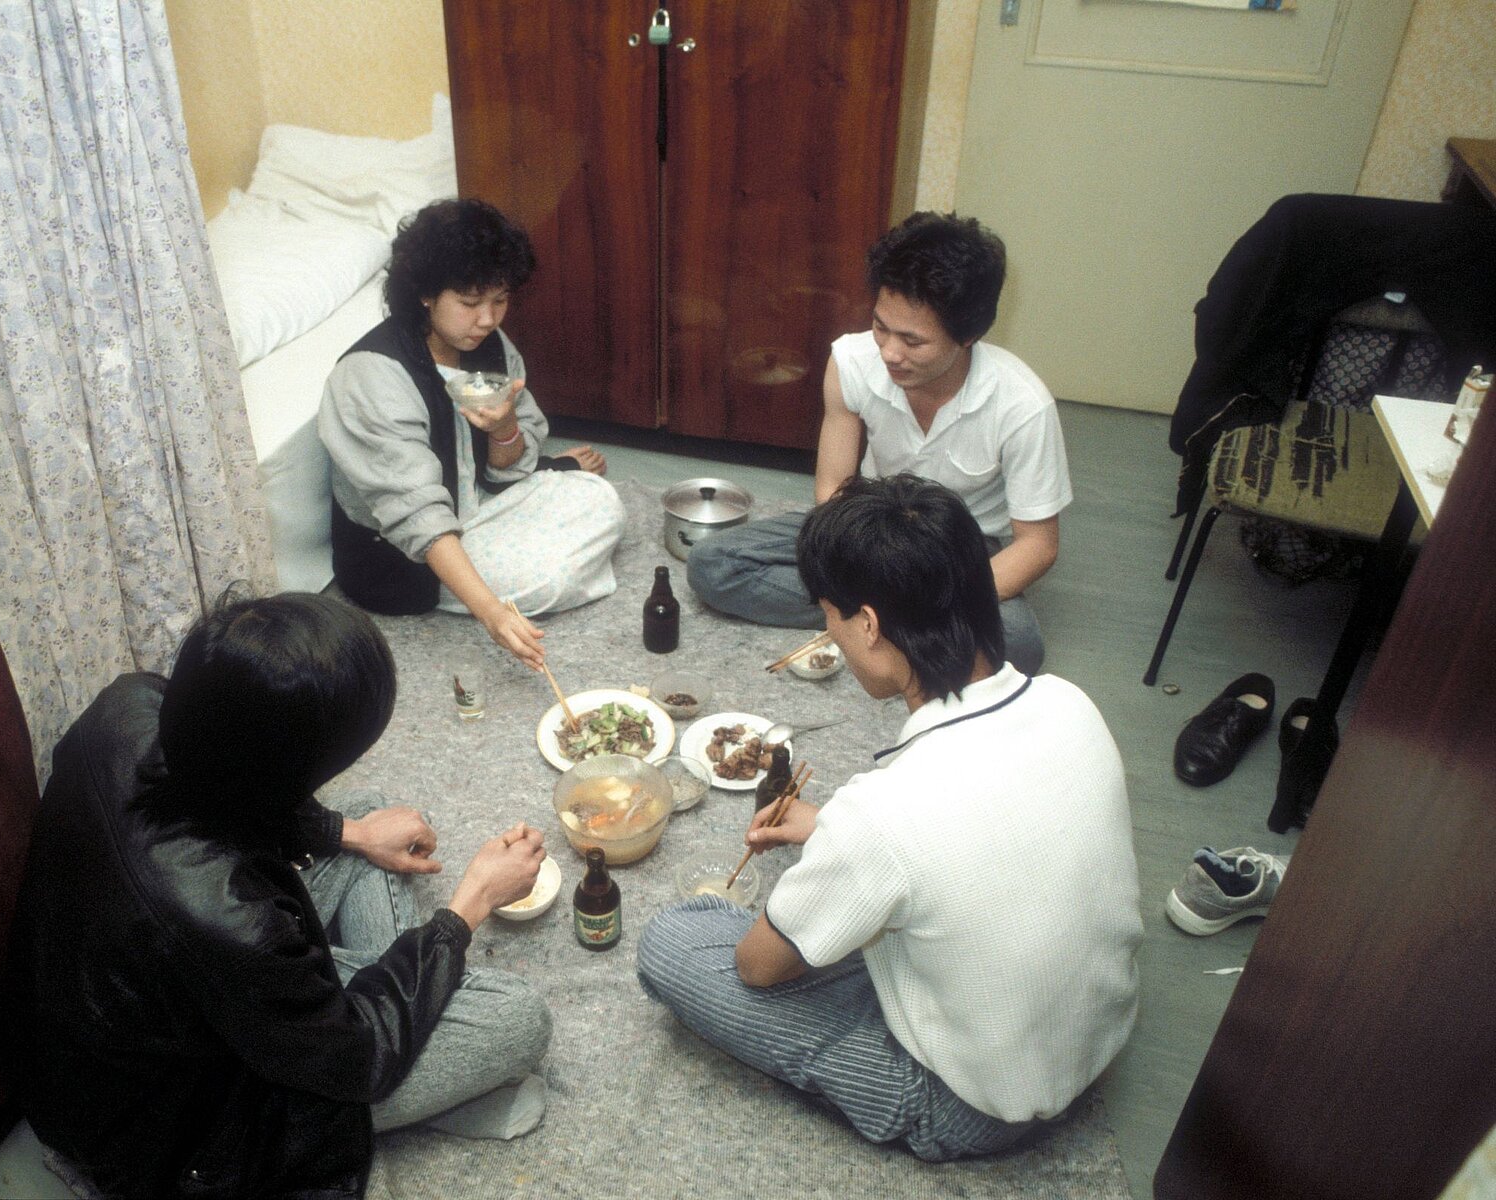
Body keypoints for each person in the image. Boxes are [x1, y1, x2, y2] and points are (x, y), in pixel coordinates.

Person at [638, 475, 1141, 1161]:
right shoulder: (1069, 703)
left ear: (868, 626)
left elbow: (758, 968)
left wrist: (843, 848)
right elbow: (990, 828)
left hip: (975, 1104)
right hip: (1095, 1041)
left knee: (674, 941)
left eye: (830, 616)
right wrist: (834, 834)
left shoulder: (878, 814)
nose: (828, 634)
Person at [1, 592, 554, 1197]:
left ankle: (416, 1040)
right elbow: (355, 1053)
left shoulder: (132, 701)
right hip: (170, 1135)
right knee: (517, 1017)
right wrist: (468, 904)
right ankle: (418, 1089)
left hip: (139, 1003)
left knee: (370, 821)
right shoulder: (232, 921)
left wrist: (351, 833)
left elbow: (224, 792)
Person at [685, 212, 1070, 674]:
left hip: (961, 547)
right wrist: (867, 564)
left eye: (913, 341)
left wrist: (926, 593)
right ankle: (902, 630)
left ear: (968, 335)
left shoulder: (1023, 406)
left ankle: (860, 621)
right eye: (881, 327)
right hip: (869, 522)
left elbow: (1038, 545)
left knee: (1021, 646)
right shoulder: (851, 360)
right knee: (713, 565)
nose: (889, 352)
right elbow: (833, 488)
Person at [320, 198, 625, 670]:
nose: (488, 319)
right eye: (469, 303)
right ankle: (482, 585)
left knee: (600, 497)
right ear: (425, 293)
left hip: (475, 504)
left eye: (499, 300)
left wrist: (504, 430)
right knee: (549, 574)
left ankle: (512, 555)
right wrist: (492, 613)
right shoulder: (371, 377)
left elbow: (505, 469)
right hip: (402, 558)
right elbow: (416, 516)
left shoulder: (488, 343)